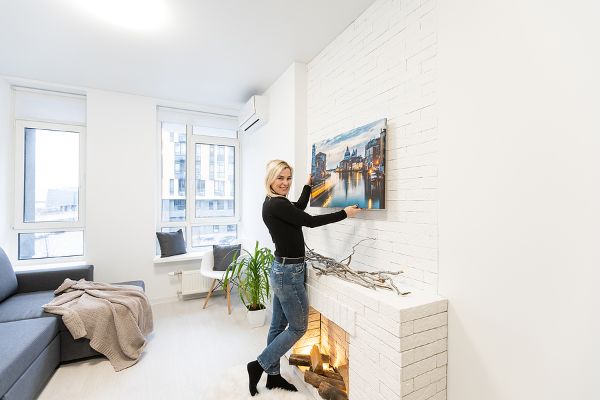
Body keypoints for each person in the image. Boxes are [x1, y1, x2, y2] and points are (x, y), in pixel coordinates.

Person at [247, 159, 361, 396]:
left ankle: (273, 376)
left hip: (283, 269)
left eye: (289, 178)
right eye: (280, 178)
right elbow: (309, 221)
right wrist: (345, 213)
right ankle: (258, 365)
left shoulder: (275, 203)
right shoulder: (276, 205)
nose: (285, 183)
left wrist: (308, 186)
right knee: (298, 327)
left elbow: (298, 209)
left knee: (278, 325)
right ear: (270, 179)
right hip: (288, 273)